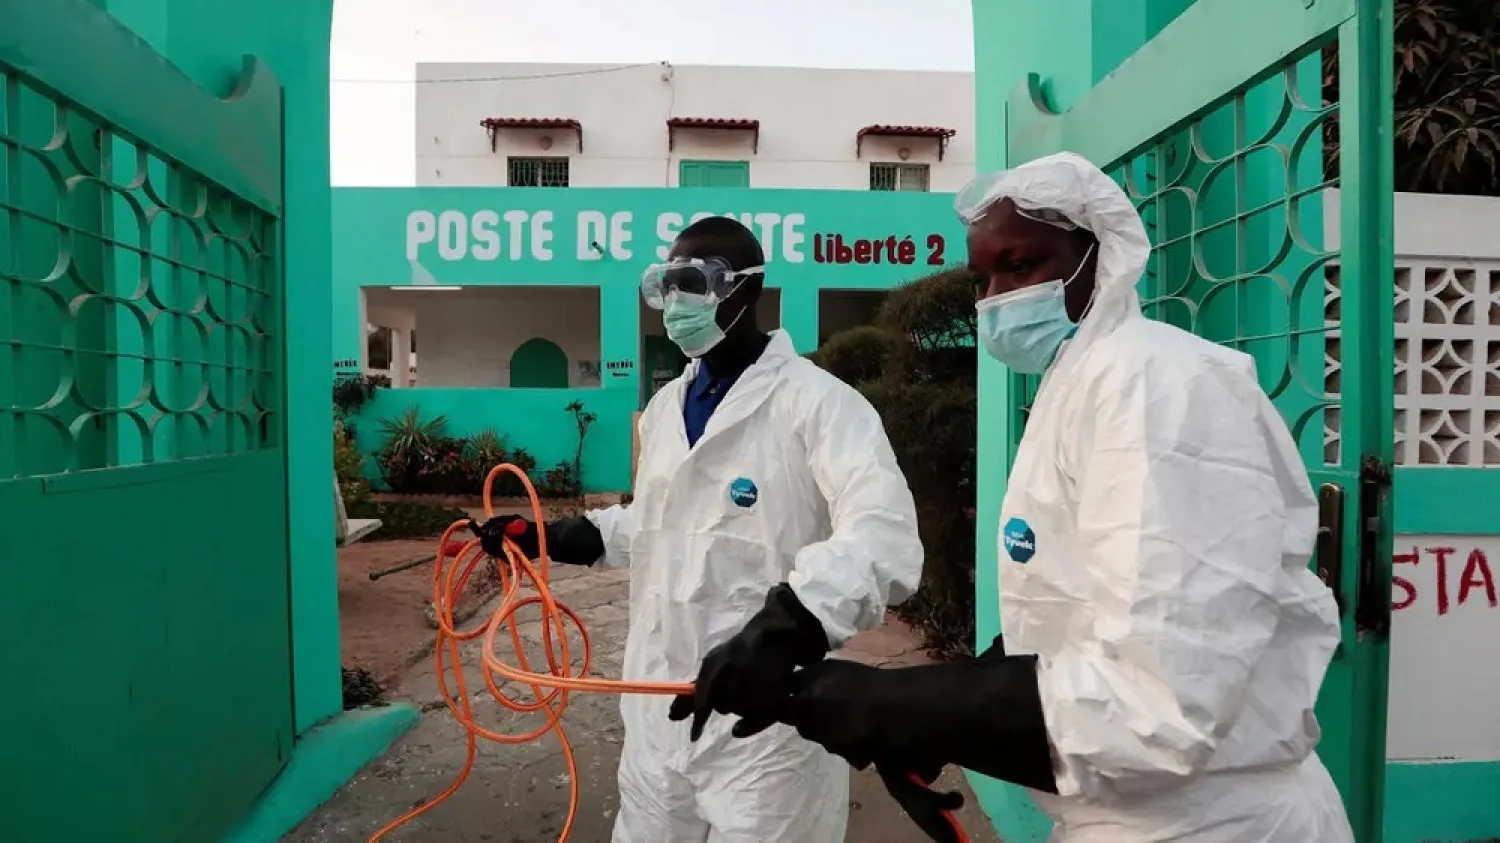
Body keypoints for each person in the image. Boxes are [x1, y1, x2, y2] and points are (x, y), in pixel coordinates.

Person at [694, 153, 1357, 843]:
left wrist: (898, 704)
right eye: (982, 280)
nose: (997, 298)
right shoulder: (1079, 386)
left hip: (1212, 822)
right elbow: (1078, 612)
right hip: (1125, 813)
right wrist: (930, 730)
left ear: (1100, 255)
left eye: (1022, 264)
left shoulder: (1158, 387)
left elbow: (1163, 698)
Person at [472, 215, 923, 842]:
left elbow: (885, 536)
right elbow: (654, 524)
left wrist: (793, 623)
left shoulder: (820, 405)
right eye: (668, 286)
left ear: (746, 290)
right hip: (659, 709)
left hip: (765, 726)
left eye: (695, 283)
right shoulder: (664, 409)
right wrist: (559, 536)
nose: (677, 304)